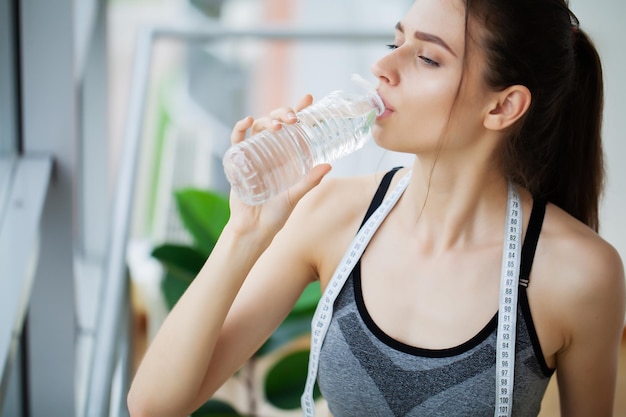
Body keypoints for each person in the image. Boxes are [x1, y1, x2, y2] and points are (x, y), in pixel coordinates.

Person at [128, 0, 626, 415]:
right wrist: (245, 231)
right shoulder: (333, 216)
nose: (382, 68)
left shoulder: (578, 273)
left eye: (427, 58)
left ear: (501, 107)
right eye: (396, 42)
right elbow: (154, 406)